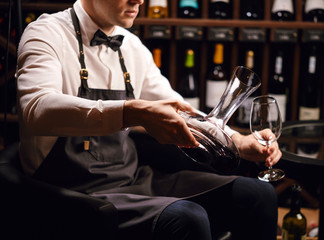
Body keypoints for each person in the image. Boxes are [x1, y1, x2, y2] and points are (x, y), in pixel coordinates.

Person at [16, 0, 282, 239]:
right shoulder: (46, 33)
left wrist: (237, 141)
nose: (139, 1)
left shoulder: (132, 46)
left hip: (132, 182)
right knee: (186, 218)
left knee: (257, 194)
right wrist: (131, 111)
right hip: (71, 193)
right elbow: (37, 109)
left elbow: (179, 109)